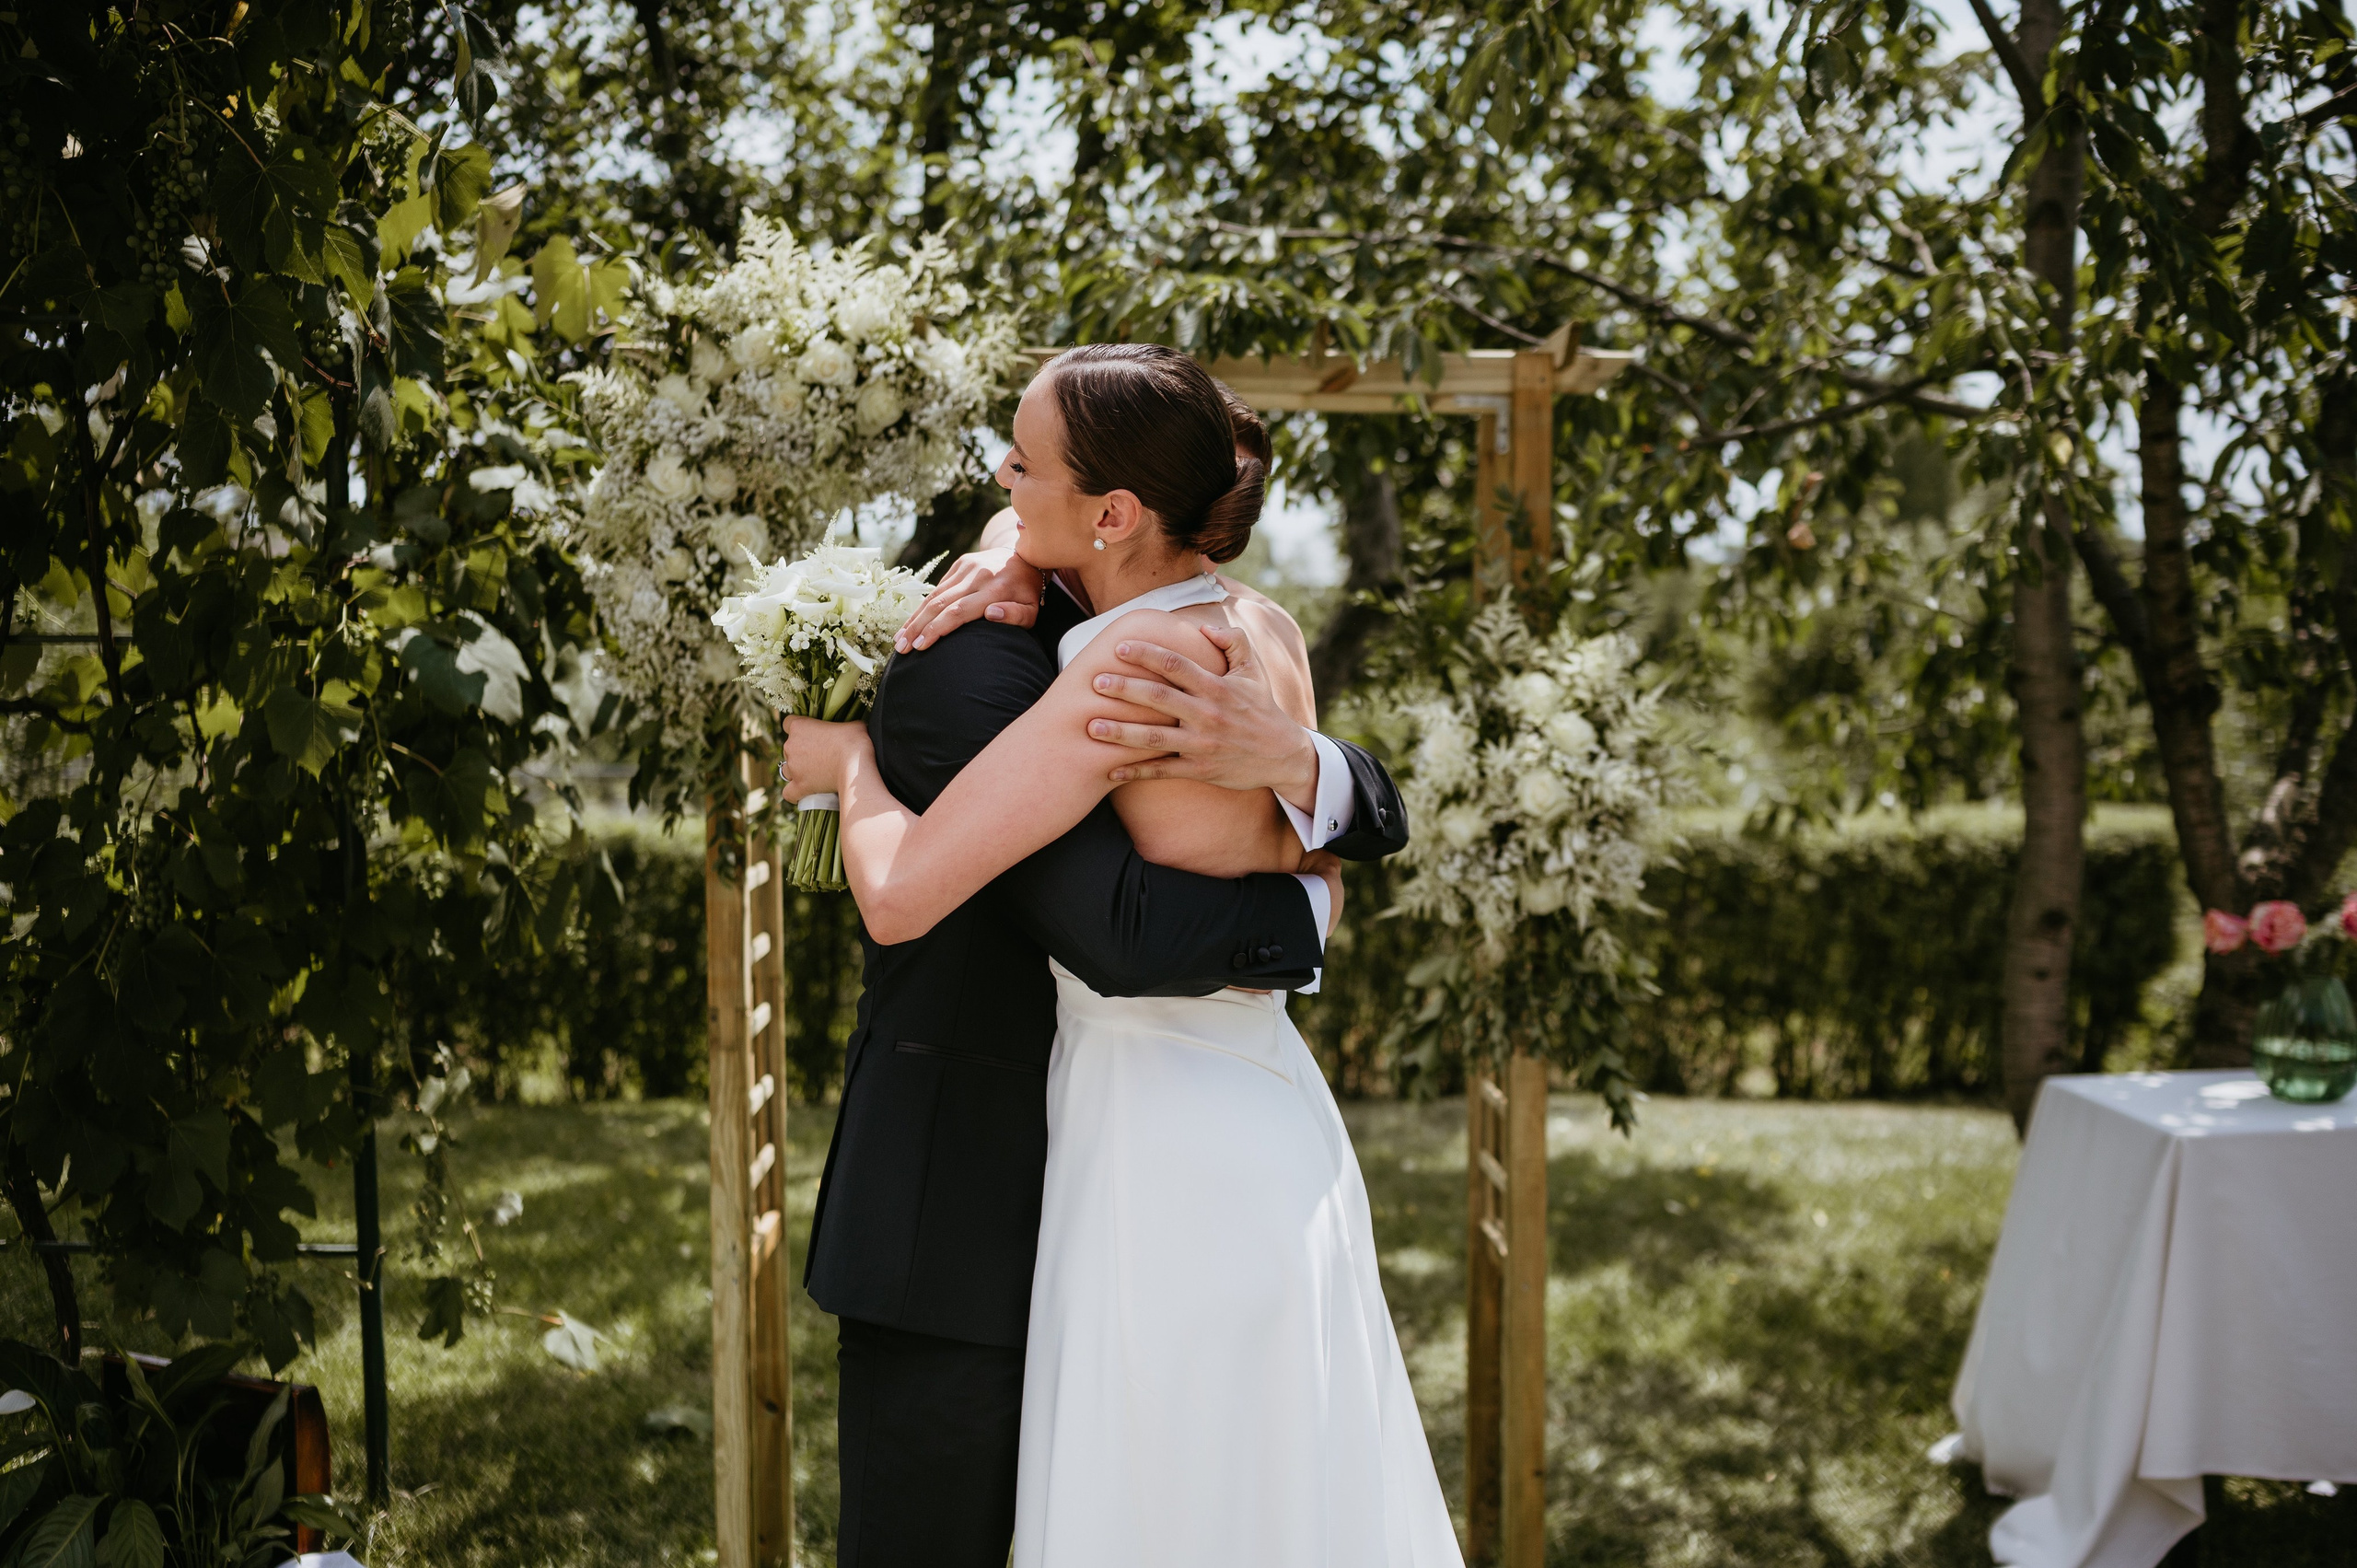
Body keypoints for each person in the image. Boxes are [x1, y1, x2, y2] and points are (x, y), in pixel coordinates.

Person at [783, 343, 1461, 1568]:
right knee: (1278, 1483)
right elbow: (1317, 866)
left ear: (1114, 510)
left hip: (1155, 1136)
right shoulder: (1260, 624)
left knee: (1160, 1492)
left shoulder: (1124, 674)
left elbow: (901, 896)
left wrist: (854, 766)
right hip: (1274, 1112)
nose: (998, 475)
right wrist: (1004, 543)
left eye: (1021, 461)